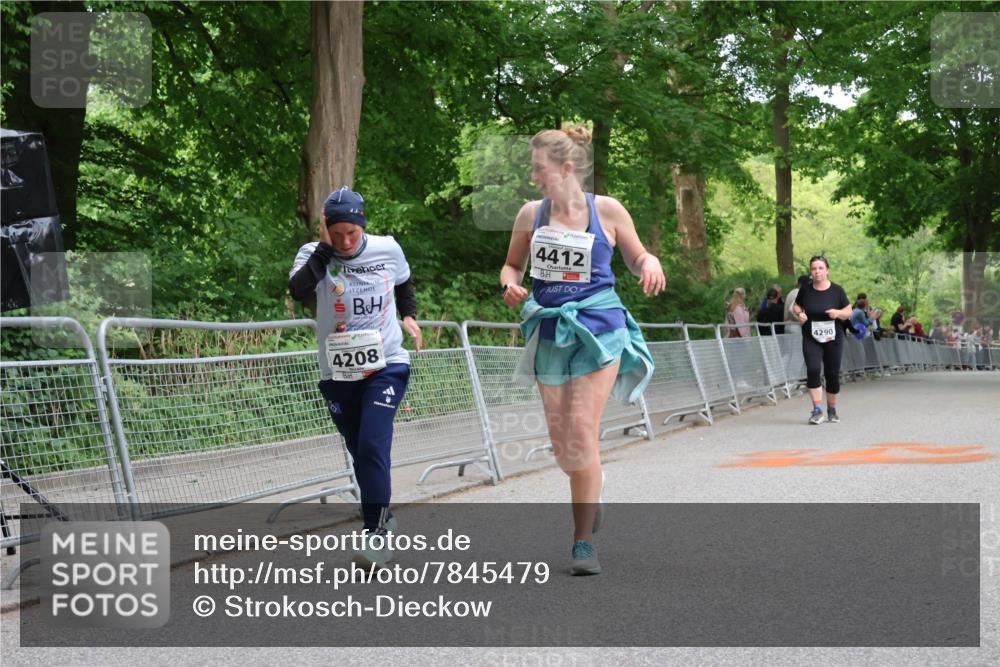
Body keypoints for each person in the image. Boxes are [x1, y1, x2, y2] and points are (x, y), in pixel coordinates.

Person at [500, 124, 661, 576]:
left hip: (599, 329)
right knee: (563, 447)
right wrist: (511, 287)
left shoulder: (606, 210)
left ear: (566, 168)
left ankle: (582, 541)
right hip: (551, 332)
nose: (533, 177)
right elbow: (513, 266)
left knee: (581, 432)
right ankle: (593, 490)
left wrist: (651, 263)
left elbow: (637, 257)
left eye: (539, 169)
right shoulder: (530, 214)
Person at [288, 186, 423, 568]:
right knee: (358, 450)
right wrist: (325, 249)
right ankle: (384, 516)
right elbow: (298, 290)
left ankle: (376, 535)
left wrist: (409, 315)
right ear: (326, 227)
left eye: (353, 233)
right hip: (337, 371)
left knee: (373, 446)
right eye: (338, 233)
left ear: (364, 226)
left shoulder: (387, 248)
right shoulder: (312, 254)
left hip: (387, 365)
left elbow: (404, 281)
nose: (347, 241)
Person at [791, 255, 852, 424]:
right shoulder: (806, 289)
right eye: (814, 269)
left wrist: (838, 313)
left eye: (820, 268)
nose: (817, 272)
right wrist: (800, 313)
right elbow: (796, 305)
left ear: (827, 270)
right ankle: (817, 410)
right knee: (813, 369)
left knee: (832, 374)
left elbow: (849, 311)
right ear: (811, 272)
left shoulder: (837, 291)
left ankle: (832, 409)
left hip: (833, 338)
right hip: (811, 337)